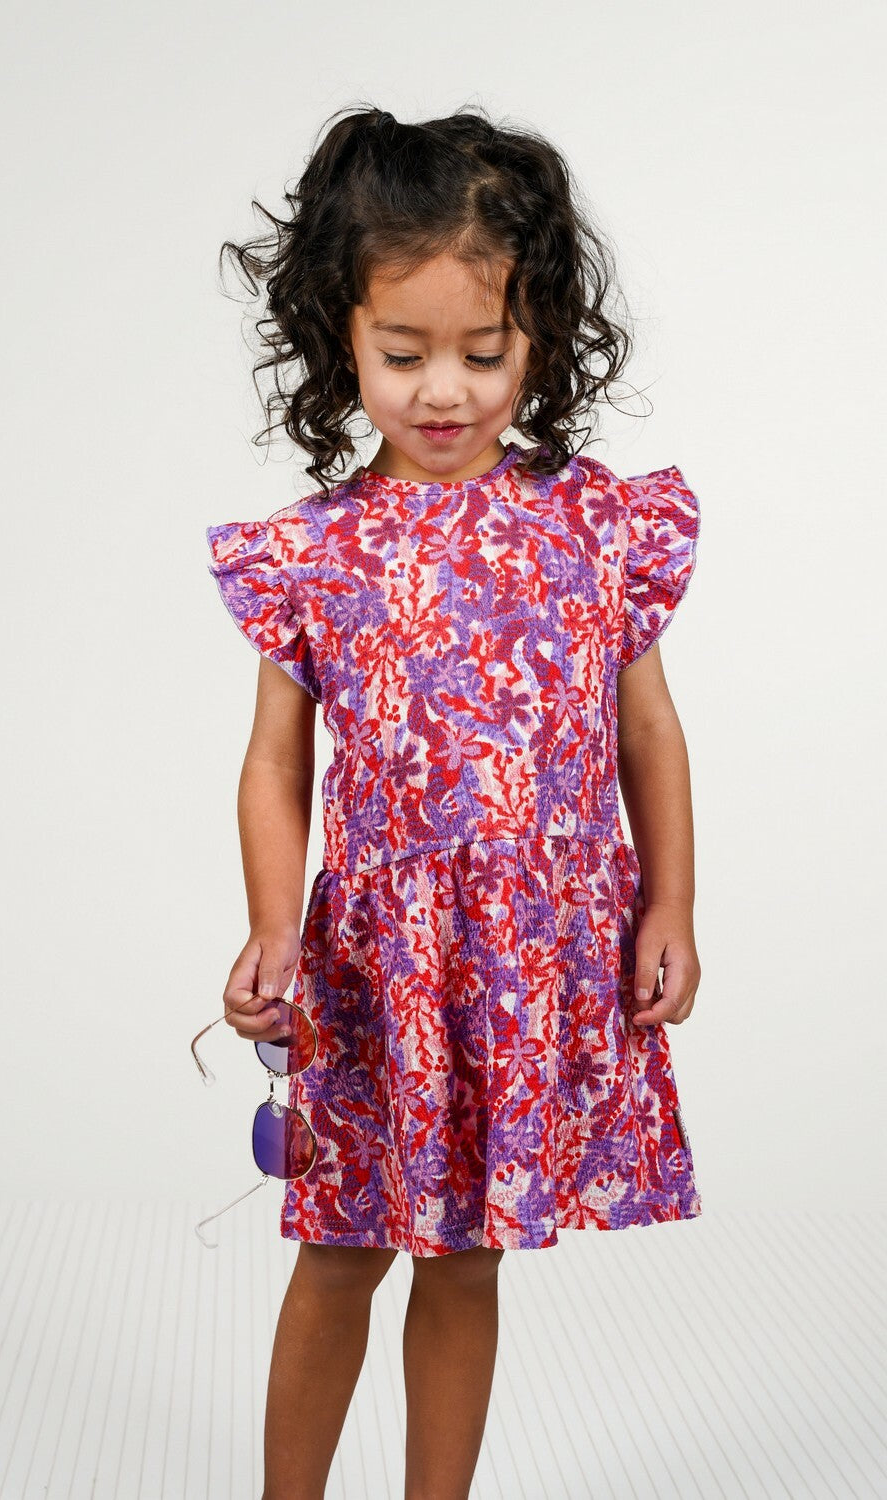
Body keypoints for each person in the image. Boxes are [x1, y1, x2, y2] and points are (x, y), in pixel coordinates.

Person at [202, 103, 703, 1500]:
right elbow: (275, 763)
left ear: (539, 337)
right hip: (380, 967)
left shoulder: (596, 526)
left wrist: (670, 903)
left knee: (469, 1255)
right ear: (341, 338)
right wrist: (274, 928)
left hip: (527, 955)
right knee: (340, 1250)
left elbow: (647, 727)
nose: (446, 392)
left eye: (484, 353)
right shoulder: (313, 554)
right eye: (403, 353)